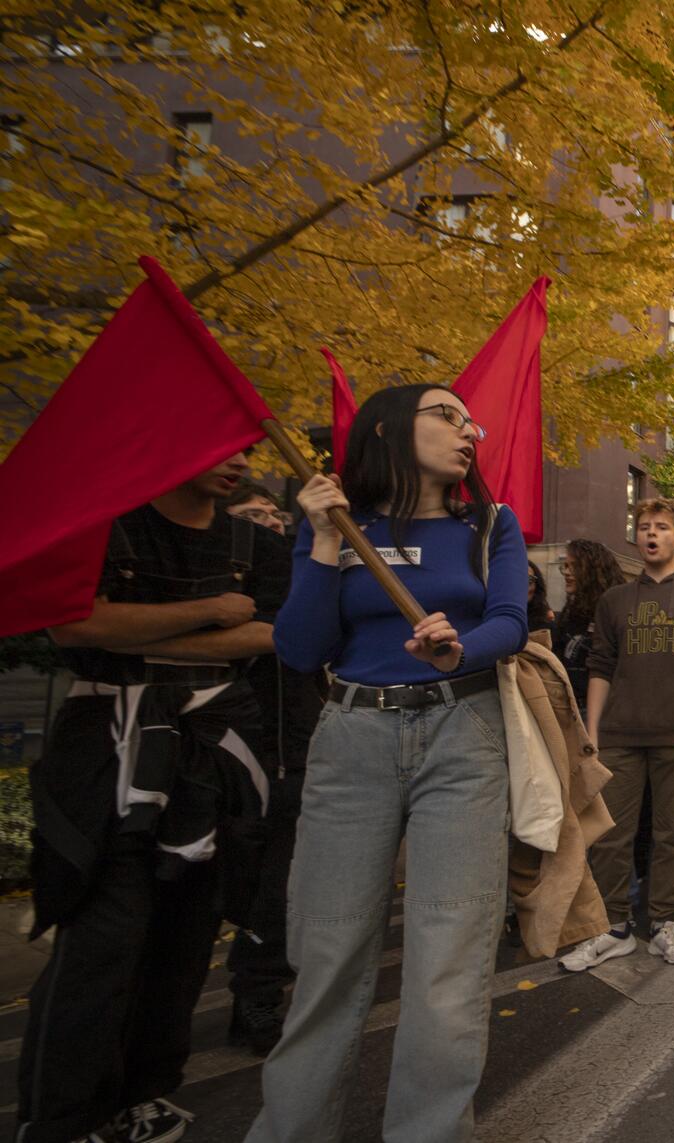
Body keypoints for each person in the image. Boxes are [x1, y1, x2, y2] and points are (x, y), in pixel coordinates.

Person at [251, 385, 528, 1141]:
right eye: (446, 413)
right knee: (327, 955)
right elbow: (300, 648)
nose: (468, 428)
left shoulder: (491, 526)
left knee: (447, 967)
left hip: (462, 734)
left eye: (471, 418)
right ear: (386, 427)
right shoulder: (341, 525)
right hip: (350, 741)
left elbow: (511, 621)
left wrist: (460, 646)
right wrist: (321, 542)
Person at [21, 452, 287, 1143]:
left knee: (186, 937)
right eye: (218, 446)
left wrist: (141, 626)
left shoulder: (257, 546)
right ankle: (60, 1119)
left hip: (214, 756)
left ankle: (145, 1091)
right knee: (102, 938)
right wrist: (209, 613)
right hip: (110, 754)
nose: (237, 462)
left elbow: (273, 633)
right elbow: (76, 626)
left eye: (243, 449)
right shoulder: (108, 529)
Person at [559, 498, 674, 972]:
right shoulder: (615, 599)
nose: (651, 533)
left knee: (673, 833)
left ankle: (664, 923)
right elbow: (600, 667)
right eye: (643, 526)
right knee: (611, 836)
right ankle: (613, 928)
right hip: (618, 735)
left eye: (661, 527)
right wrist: (592, 730)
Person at [223, 484, 326, 1057]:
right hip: (220, 747)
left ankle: (257, 993)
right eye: (250, 516)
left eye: (273, 514)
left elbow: (313, 640)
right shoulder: (220, 577)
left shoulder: (297, 574)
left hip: (296, 750)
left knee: (278, 885)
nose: (267, 523)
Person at [554, 539, 626, 712]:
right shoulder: (569, 614)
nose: (567, 573)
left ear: (593, 570)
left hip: (603, 712)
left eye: (574, 566)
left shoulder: (615, 611)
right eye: (565, 566)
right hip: (569, 709)